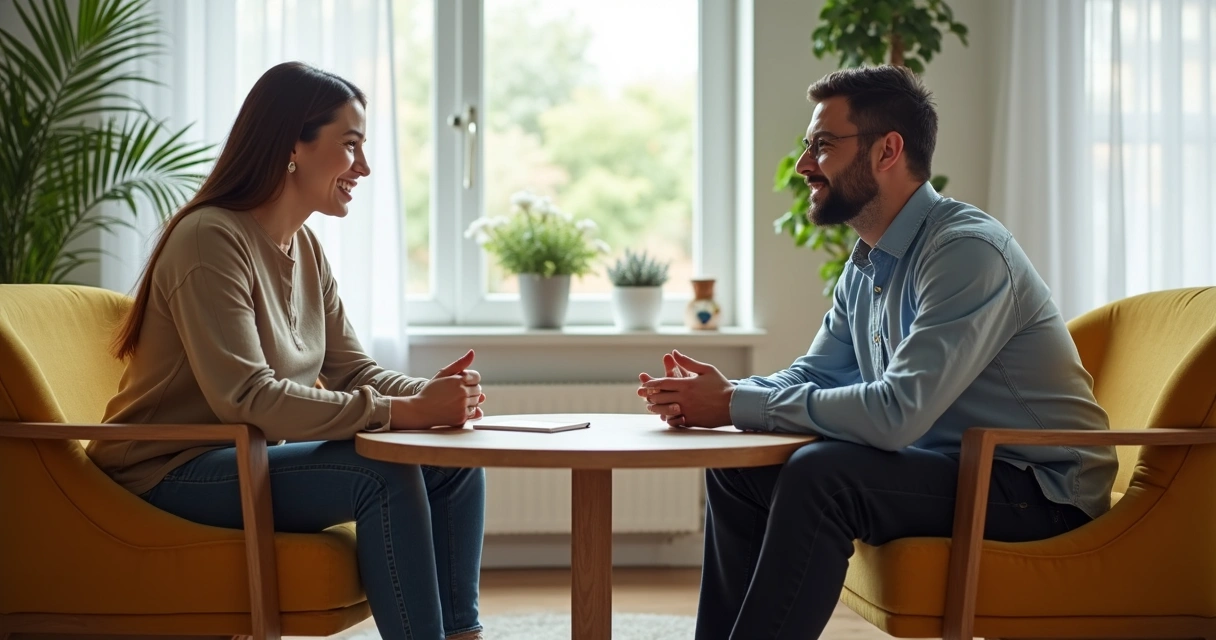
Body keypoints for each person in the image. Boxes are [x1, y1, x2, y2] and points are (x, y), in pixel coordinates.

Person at [637, 65, 1118, 640]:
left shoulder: (966, 251)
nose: (804, 164)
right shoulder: (866, 266)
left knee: (824, 474)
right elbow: (812, 372)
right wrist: (721, 398)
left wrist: (737, 402)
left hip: (1038, 491)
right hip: (956, 469)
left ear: (888, 150)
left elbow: (896, 414)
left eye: (822, 145)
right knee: (738, 472)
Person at [91, 62, 486, 640]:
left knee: (454, 465)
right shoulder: (210, 238)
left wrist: (431, 398)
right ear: (291, 147)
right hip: (167, 470)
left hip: (241, 457)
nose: (365, 167)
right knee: (381, 472)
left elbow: (353, 368)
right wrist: (403, 413)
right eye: (349, 146)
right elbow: (246, 397)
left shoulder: (304, 246)